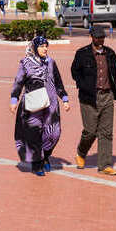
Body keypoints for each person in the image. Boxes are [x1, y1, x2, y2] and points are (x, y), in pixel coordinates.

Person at [10, 35, 70, 176]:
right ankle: (37, 165)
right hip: (32, 105)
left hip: (51, 105)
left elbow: (58, 82)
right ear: (35, 47)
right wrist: (14, 100)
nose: (45, 49)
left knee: (54, 134)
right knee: (34, 134)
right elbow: (18, 82)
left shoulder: (51, 62)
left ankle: (45, 157)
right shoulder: (26, 63)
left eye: (46, 46)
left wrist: (65, 98)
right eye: (41, 46)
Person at [71, 25, 116, 176]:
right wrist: (82, 85)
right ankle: (81, 152)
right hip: (89, 97)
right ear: (92, 37)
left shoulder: (110, 54)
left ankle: (105, 165)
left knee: (106, 132)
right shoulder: (82, 53)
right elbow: (74, 71)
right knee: (90, 131)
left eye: (102, 37)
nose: (101, 39)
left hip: (107, 96)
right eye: (98, 37)